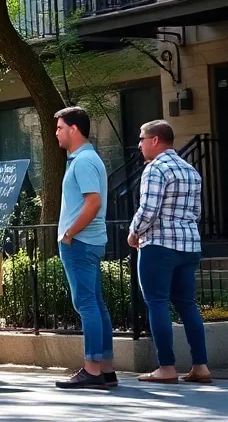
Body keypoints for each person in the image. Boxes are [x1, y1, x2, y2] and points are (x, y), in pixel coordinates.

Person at [126, 120, 211, 385]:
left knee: (157, 302)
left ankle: (166, 367)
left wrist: (133, 232)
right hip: (189, 245)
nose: (138, 145)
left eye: (141, 139)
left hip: (159, 245)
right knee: (187, 304)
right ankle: (201, 366)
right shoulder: (190, 170)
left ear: (154, 140)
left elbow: (148, 210)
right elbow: (196, 212)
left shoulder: (155, 169)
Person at [51, 106, 115, 390]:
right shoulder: (83, 159)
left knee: (86, 304)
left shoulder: (84, 161)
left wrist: (69, 234)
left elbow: (93, 202)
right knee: (96, 304)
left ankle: (91, 369)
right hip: (87, 241)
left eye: (60, 128)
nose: (56, 133)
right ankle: (105, 369)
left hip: (80, 242)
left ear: (74, 129)